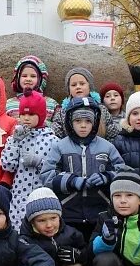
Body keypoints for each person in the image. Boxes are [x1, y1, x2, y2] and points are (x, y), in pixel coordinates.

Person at [41, 96, 127, 241]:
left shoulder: (107, 147)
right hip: (68, 213)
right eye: (78, 121)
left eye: (88, 121)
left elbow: (123, 173)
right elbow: (47, 176)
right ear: (69, 122)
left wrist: (106, 177)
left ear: (95, 123)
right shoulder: (60, 147)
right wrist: (71, 181)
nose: (83, 125)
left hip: (100, 212)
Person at [0, 90, 58, 229]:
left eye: (31, 114)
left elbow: (56, 172)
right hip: (18, 197)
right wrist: (14, 142)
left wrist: (40, 162)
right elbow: (7, 165)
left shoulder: (53, 140)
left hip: (41, 197)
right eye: (23, 114)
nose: (26, 118)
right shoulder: (15, 137)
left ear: (41, 115)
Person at [49, 67, 121, 141]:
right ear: (69, 90)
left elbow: (113, 135)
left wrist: (105, 149)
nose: (78, 87)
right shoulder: (62, 112)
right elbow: (56, 136)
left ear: (90, 86)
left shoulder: (101, 109)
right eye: (74, 85)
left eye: (82, 84)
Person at [5, 55, 59, 124]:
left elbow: (60, 126)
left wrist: (43, 125)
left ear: (40, 79)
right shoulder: (8, 104)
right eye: (24, 76)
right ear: (17, 78)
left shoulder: (51, 104)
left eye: (33, 76)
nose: (28, 79)